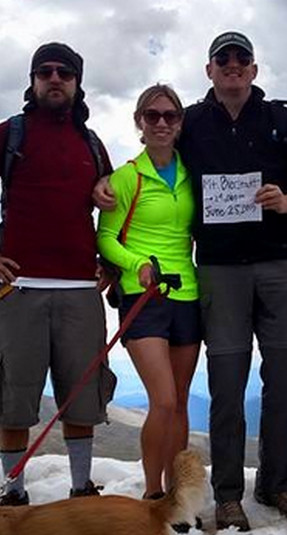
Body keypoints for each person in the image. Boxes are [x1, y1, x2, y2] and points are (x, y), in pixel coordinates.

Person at [97, 31, 287, 531]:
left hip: (280, 263)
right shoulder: (192, 122)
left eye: (241, 58)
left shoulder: (279, 120)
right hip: (219, 272)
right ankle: (227, 494)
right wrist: (102, 181)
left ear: (253, 69)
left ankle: (276, 484)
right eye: (222, 59)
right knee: (226, 384)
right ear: (209, 70)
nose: (232, 66)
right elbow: (150, 157)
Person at [0, 42, 116, 505]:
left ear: (78, 83)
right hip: (16, 289)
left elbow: (116, 210)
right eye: (45, 72)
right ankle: (14, 493)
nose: (55, 78)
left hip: (82, 289)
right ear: (33, 81)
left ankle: (81, 489)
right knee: (12, 399)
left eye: (65, 72)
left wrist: (110, 262)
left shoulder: (92, 143)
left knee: (83, 397)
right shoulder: (9, 134)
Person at [97, 84, 199, 500]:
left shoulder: (193, 172)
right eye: (152, 115)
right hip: (143, 296)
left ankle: (178, 492)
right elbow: (105, 238)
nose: (161, 123)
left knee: (181, 403)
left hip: (188, 293)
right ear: (139, 122)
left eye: (169, 116)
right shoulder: (126, 178)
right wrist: (137, 264)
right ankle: (153, 492)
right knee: (163, 400)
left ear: (179, 123)